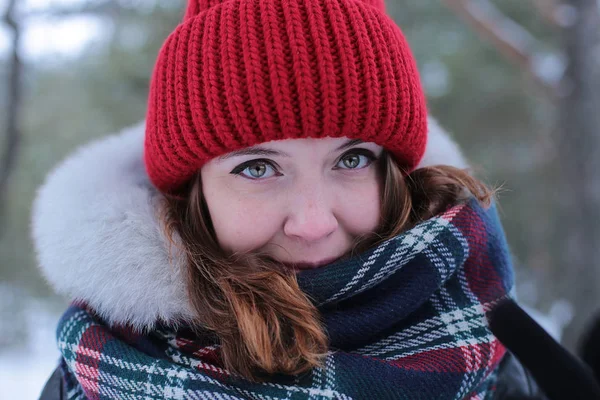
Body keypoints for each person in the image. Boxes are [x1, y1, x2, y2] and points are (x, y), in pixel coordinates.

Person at [32, 0, 572, 398]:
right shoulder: (99, 371)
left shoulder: (490, 345)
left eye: (352, 159)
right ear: (190, 193)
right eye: (258, 167)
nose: (313, 224)